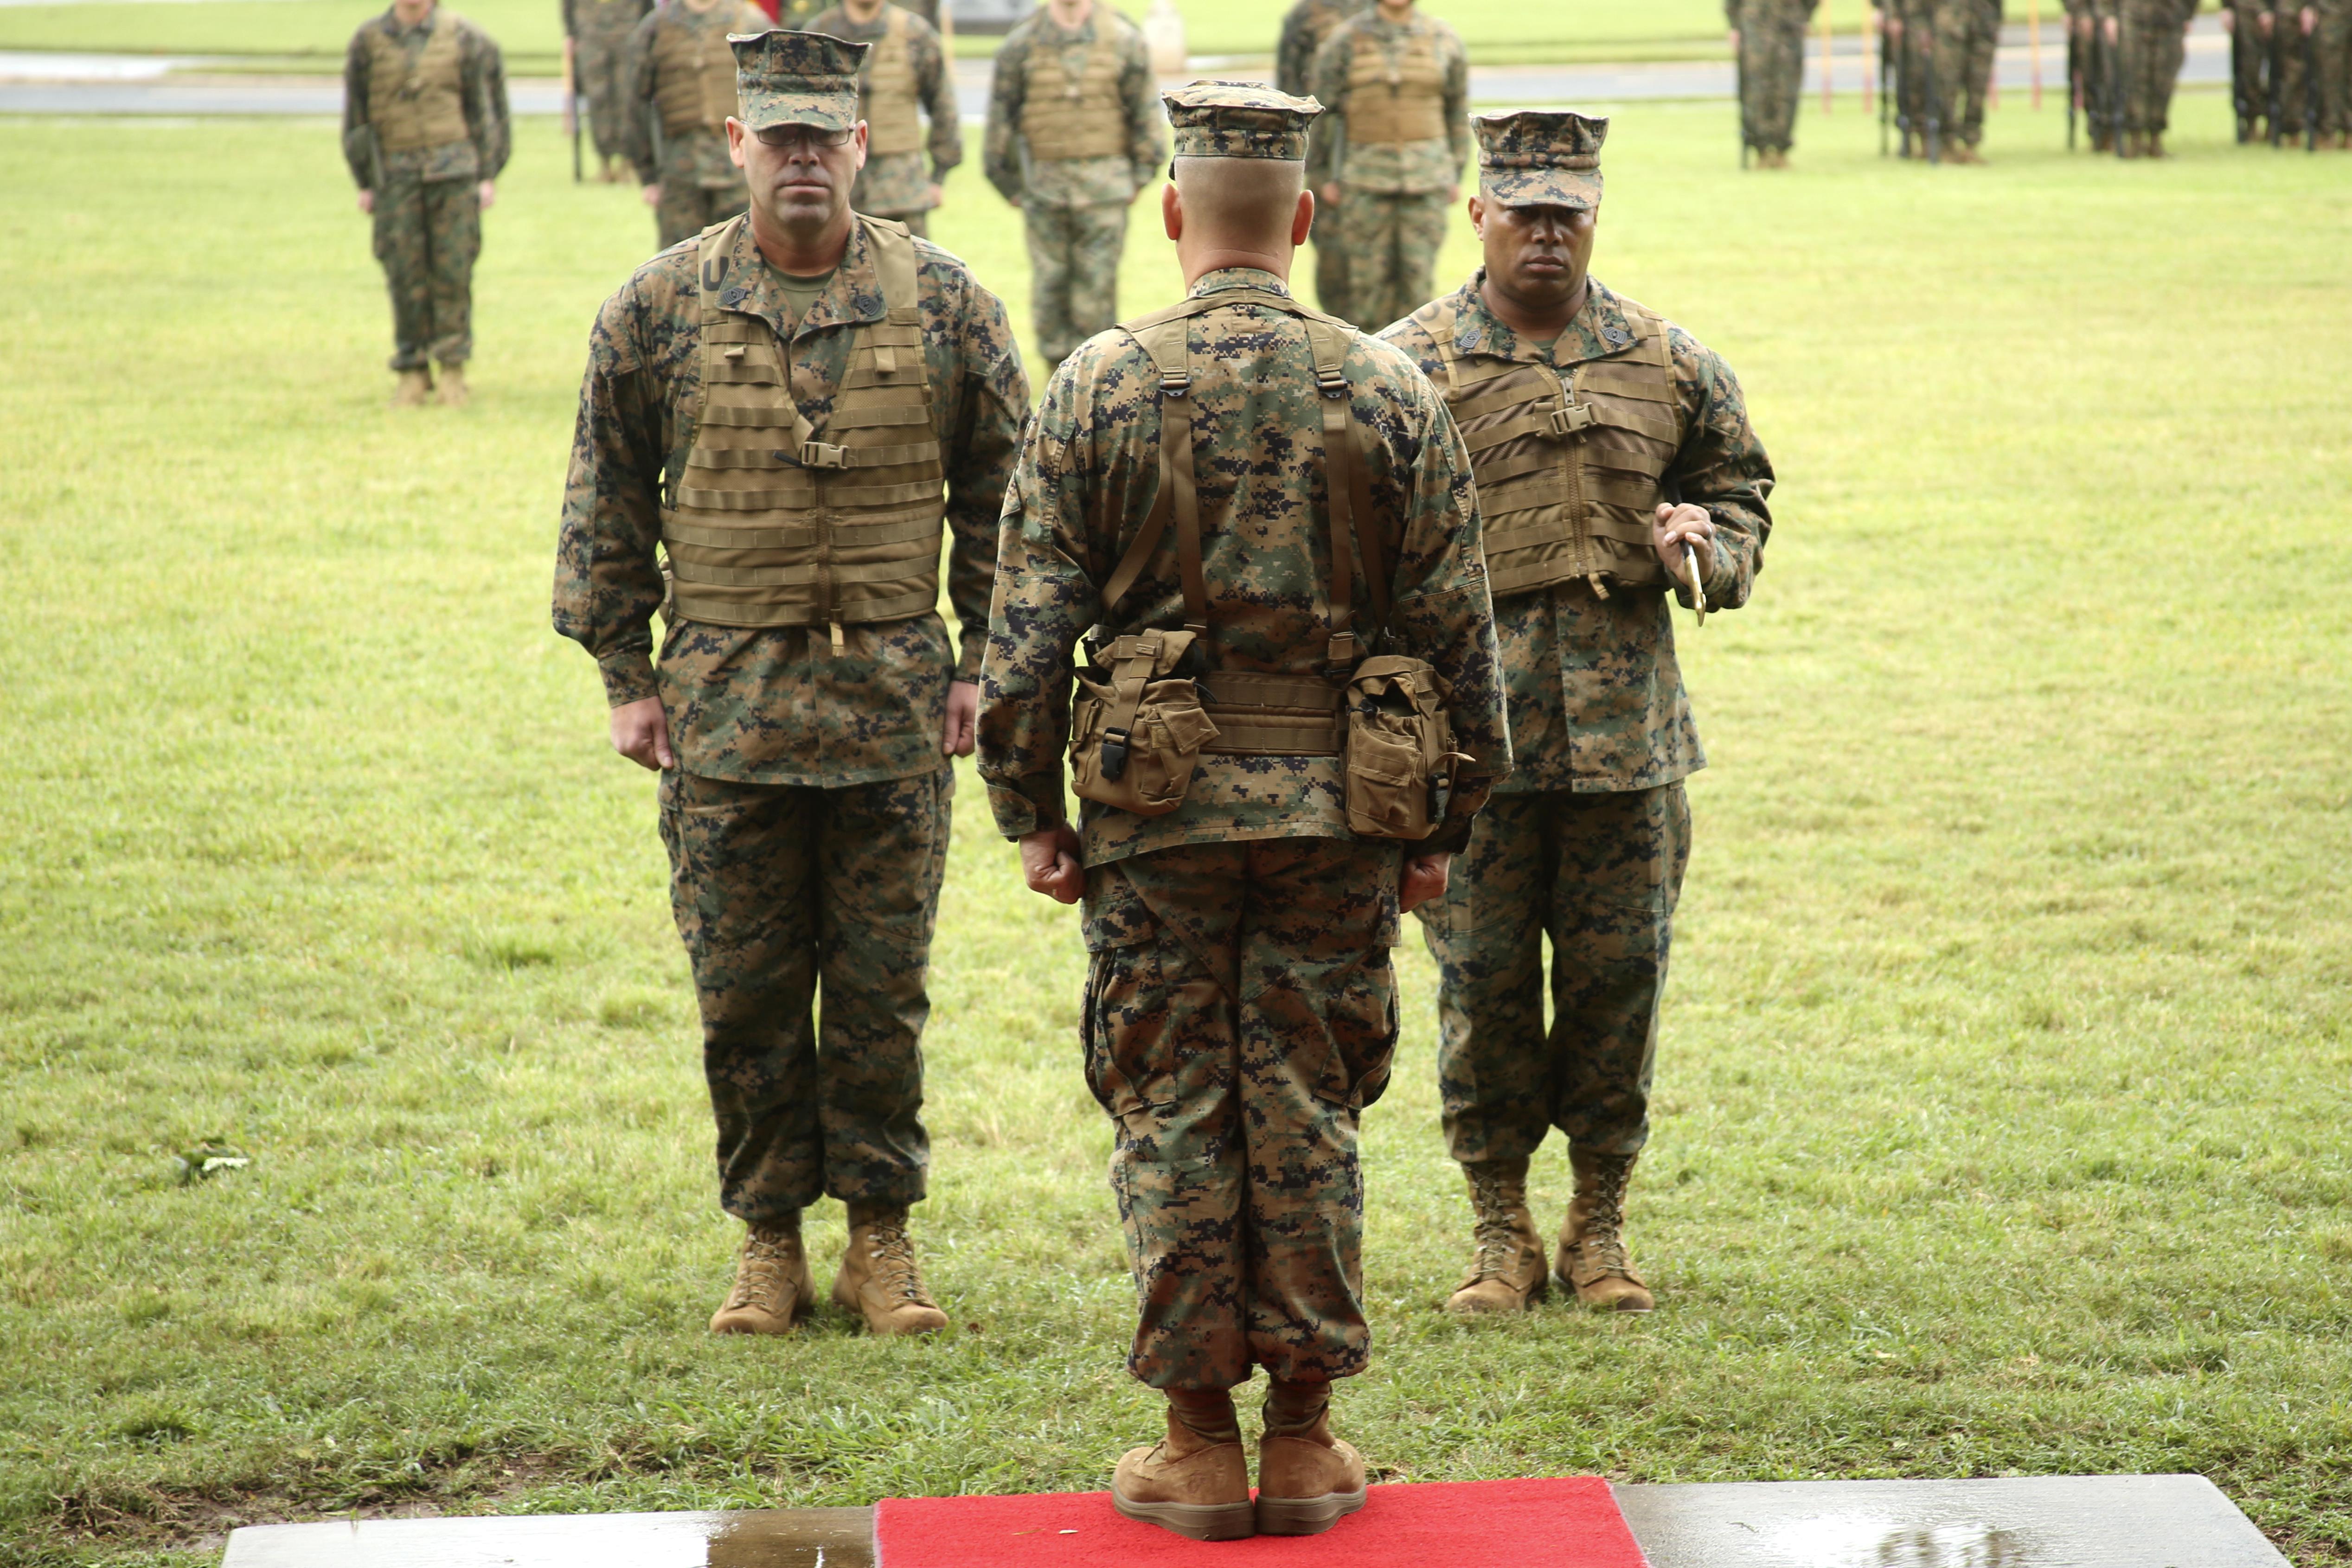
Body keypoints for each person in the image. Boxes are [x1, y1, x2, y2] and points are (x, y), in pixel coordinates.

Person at [978, 81, 1508, 1544]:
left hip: (1153, 821)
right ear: (1307, 216)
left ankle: (1197, 1441)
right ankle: (1313, 1438)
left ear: (1167, 215)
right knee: (1307, 1105)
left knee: (1174, 1105)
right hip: (1343, 815)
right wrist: (1442, 831)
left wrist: (1033, 806)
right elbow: (1464, 642)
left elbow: (1022, 639)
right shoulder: (1390, 388)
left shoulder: (1095, 385)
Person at [553, 28, 1029, 1340]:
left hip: (890, 715)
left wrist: (984, 664)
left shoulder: (945, 303)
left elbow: (1007, 500)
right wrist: (623, 673)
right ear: (738, 146)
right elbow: (605, 497)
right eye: (781, 137)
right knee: (745, 992)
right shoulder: (656, 308)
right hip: (724, 716)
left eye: (826, 136)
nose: (804, 158)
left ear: (862, 146)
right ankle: (768, 1239)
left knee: (882, 989)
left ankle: (882, 1237)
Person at [1381, 110, 1775, 1316]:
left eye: (1566, 212)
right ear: (1477, 214)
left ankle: (1597, 1221)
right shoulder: (1407, 364)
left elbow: (1737, 493)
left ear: (1593, 215)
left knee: (1618, 982)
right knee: (1482, 984)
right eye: (1522, 211)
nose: (1544, 233)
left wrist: (1704, 549)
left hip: (1626, 744)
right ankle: (1497, 1229)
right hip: (1472, 749)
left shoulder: (1664, 359)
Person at [341, 0, 510, 406]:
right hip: (395, 176)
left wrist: (487, 173)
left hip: (454, 172)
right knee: (404, 272)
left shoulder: (466, 38)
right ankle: (413, 368)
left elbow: (486, 111)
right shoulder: (368, 41)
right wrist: (364, 180)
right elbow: (357, 116)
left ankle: (453, 367)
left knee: (453, 271)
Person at [983, 0, 1164, 371]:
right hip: (1044, 189)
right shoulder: (1022, 43)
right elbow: (1001, 117)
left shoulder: (1124, 39)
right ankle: (1057, 376)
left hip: (1105, 190)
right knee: (1050, 284)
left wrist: (1140, 175)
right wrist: (1007, 183)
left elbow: (1146, 113)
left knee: (1097, 287)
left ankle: (1098, 375)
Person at [1308, 0, 1468, 330]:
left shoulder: (1443, 38)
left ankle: (1418, 373)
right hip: (1364, 181)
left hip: (1426, 180)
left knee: (1418, 284)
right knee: (1367, 288)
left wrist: (1455, 171)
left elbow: (1456, 111)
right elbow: (1321, 115)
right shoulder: (1344, 41)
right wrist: (1321, 178)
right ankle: (1370, 372)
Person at [624, 0, 774, 250]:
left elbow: (774, 95)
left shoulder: (751, 22)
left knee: (745, 260)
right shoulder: (657, 27)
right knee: (679, 268)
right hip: (679, 174)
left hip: (741, 175)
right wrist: (647, 174)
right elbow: (634, 102)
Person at [806, 0, 961, 236]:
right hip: (832, 185)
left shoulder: (915, 33)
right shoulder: (816, 35)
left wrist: (938, 177)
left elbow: (943, 107)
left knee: (909, 269)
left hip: (902, 188)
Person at [1274, 0, 1369, 317]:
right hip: (1324, 158)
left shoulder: (1381, 11)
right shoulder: (1306, 15)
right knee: (1335, 270)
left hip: (1374, 157)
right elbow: (1287, 95)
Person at [564, 0, 652, 181]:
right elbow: (568, 7)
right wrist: (571, 35)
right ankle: (605, 163)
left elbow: (647, 8)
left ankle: (628, 163)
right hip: (591, 38)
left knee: (627, 101)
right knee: (598, 102)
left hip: (628, 37)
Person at [1728, 0, 1820, 167]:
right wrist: (1734, 24)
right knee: (1755, 89)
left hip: (1789, 25)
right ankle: (1760, 147)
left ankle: (1780, 148)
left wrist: (1806, 17)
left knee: (1787, 89)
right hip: (1755, 25)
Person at [2116, 0, 2194, 155]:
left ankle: (2155, 138)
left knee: (2163, 83)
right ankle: (2135, 138)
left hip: (2169, 18)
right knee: (2134, 79)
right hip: (2134, 18)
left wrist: (2188, 14)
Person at [1934, 0, 2001, 162]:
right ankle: (1946, 143)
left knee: (1978, 87)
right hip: (1952, 22)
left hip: (1984, 21)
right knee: (1947, 84)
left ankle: (1970, 145)